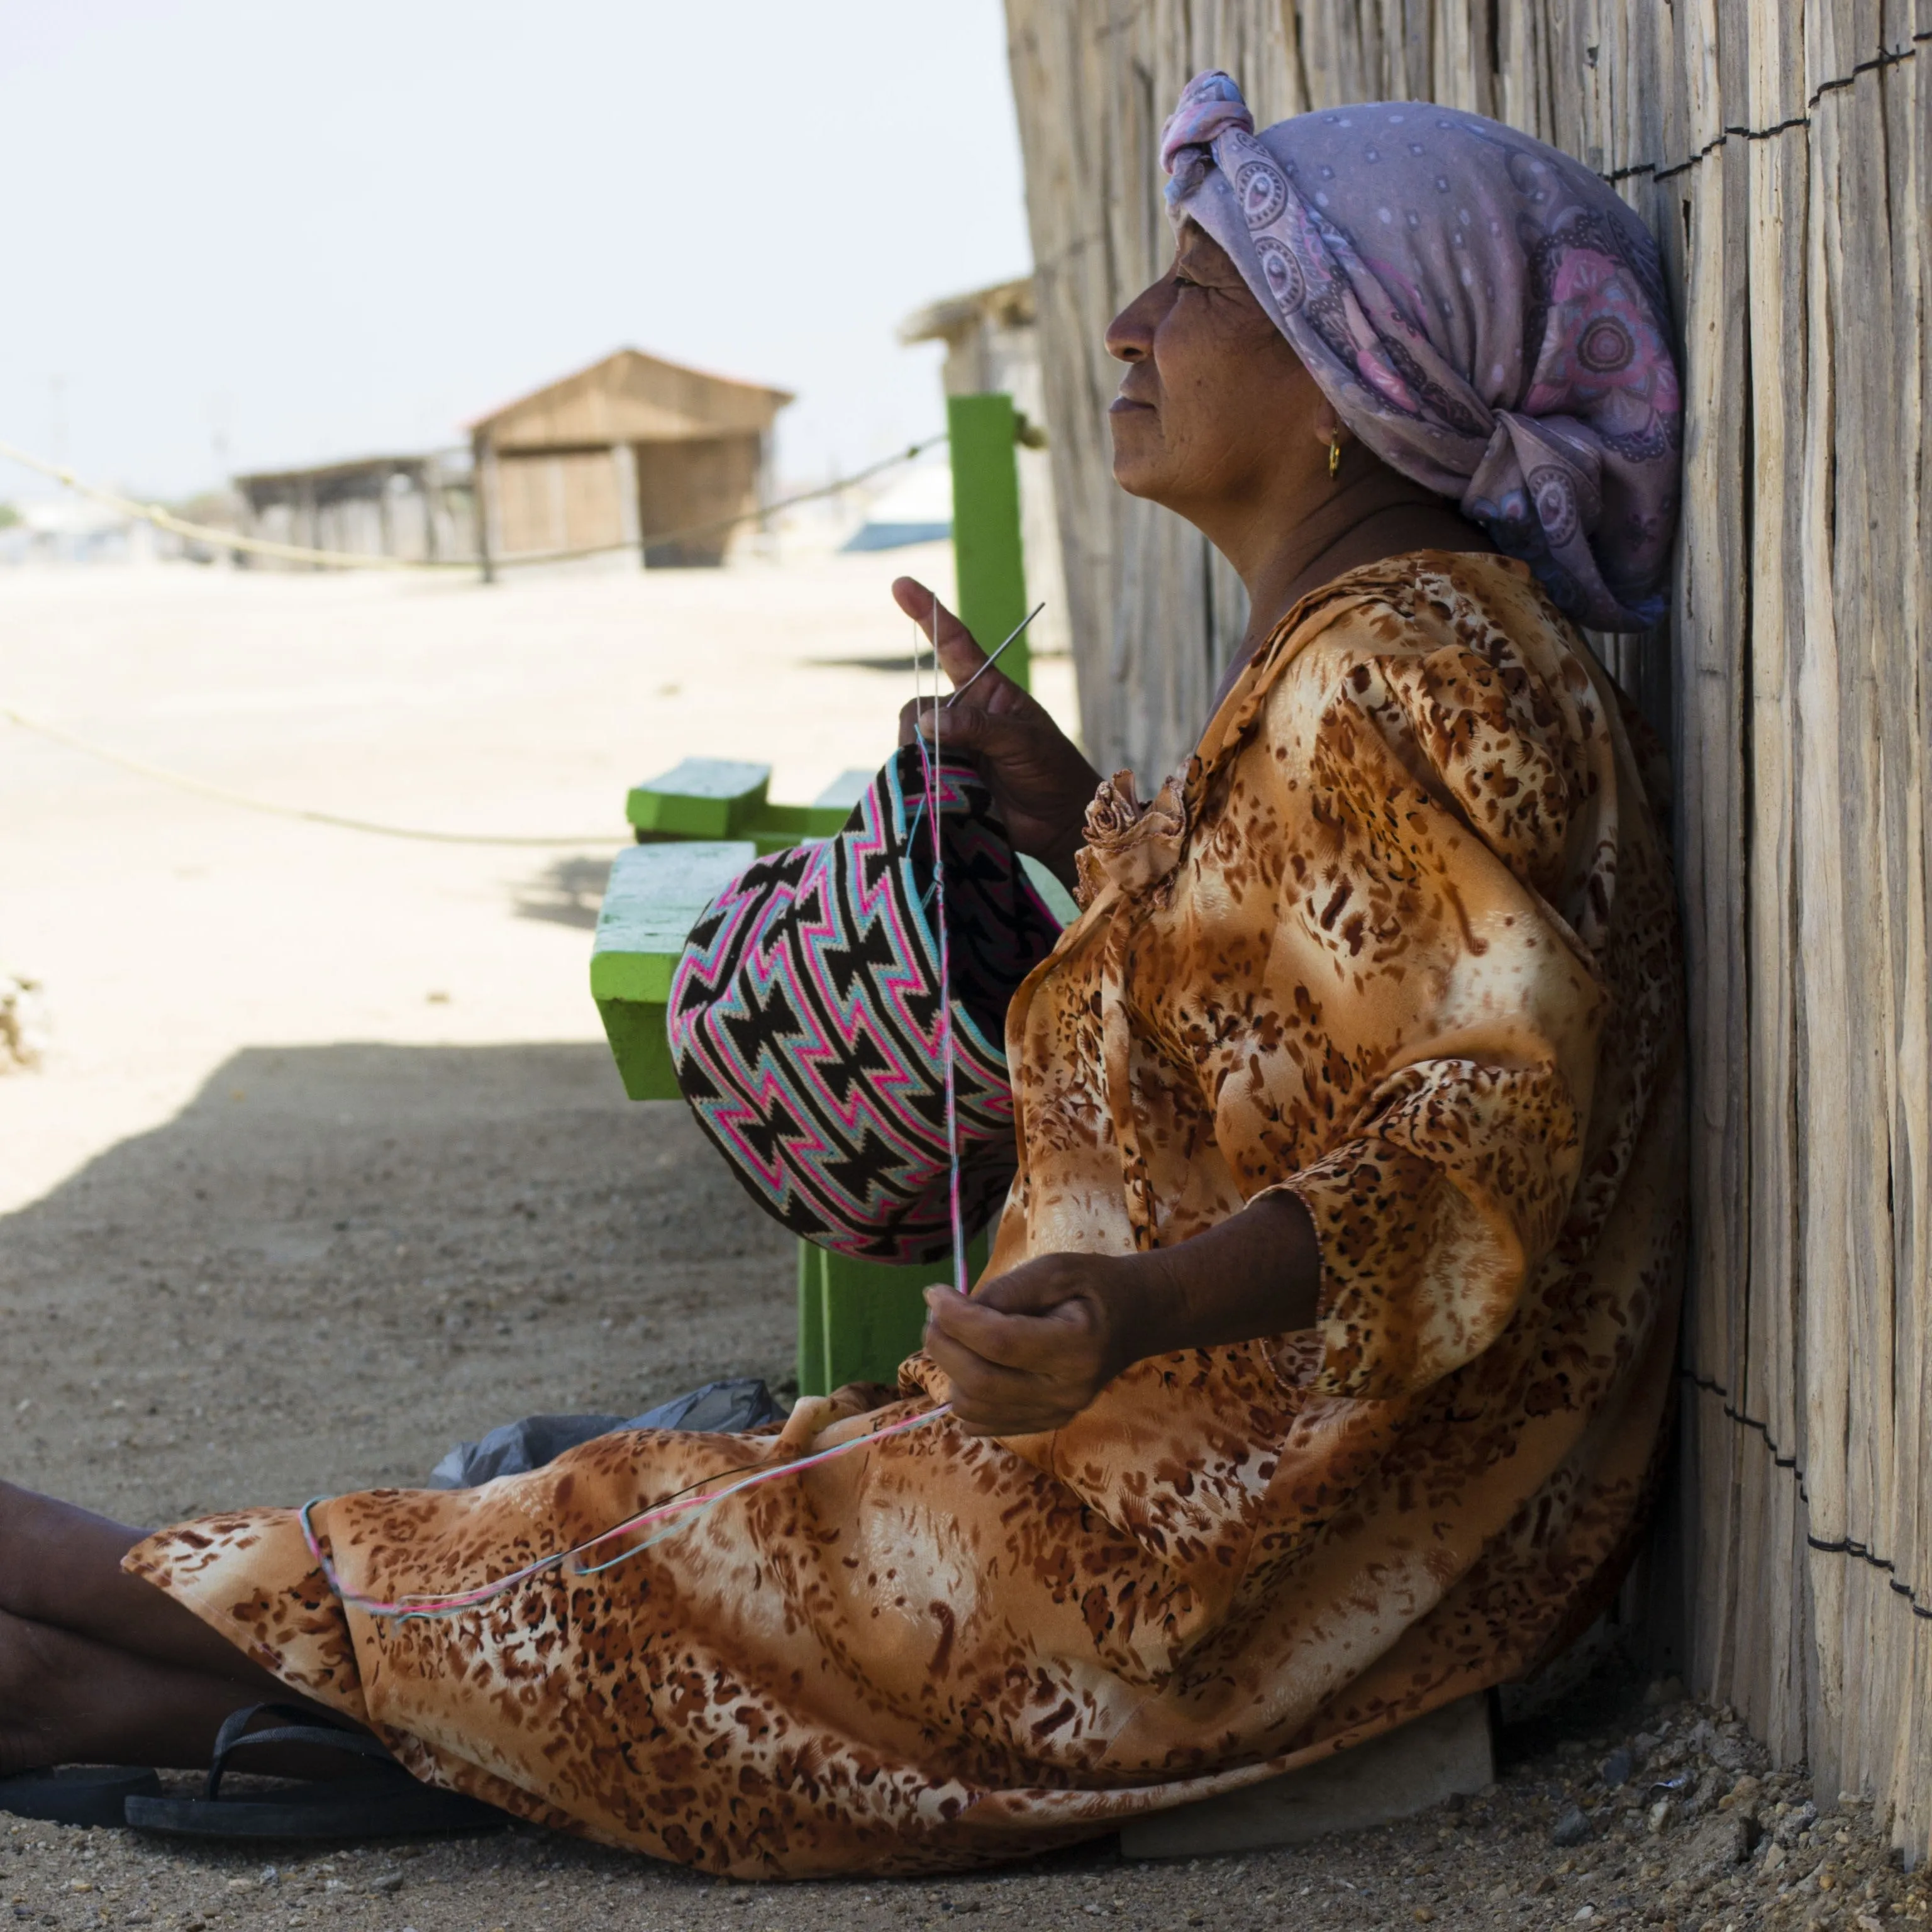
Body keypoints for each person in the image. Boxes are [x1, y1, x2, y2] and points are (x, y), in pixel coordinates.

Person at [0, 74, 1684, 1877]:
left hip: (1247, 1547)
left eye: (1198, 289)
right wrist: (1086, 823)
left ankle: (88, 1606)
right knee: (614, 1550)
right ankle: (116, 1675)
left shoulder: (1402, 679)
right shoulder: (1368, 657)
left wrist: (1131, 1312)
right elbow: (1289, 997)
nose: (1128, 324)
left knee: (607, 1550)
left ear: (1358, 380)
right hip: (1244, 1503)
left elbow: (1466, 1140)